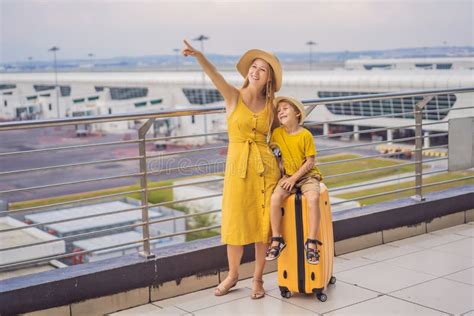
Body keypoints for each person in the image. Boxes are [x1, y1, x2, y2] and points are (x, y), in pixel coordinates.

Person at [182, 40, 282, 299]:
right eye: (254, 66)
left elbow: (283, 138)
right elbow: (214, 76)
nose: (255, 71)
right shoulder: (233, 96)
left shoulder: (273, 105)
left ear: (269, 77)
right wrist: (199, 56)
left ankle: (258, 280)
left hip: (266, 170)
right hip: (238, 169)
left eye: (262, 69)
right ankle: (233, 275)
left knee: (263, 229)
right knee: (235, 225)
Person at [265, 96, 324, 265]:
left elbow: (310, 162)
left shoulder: (305, 135)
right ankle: (277, 238)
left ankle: (311, 242)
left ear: (297, 113)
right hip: (287, 176)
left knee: (313, 198)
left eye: (285, 108)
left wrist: (294, 178)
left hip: (307, 176)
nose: (281, 112)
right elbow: (274, 153)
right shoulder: (277, 134)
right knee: (275, 199)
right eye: (279, 110)